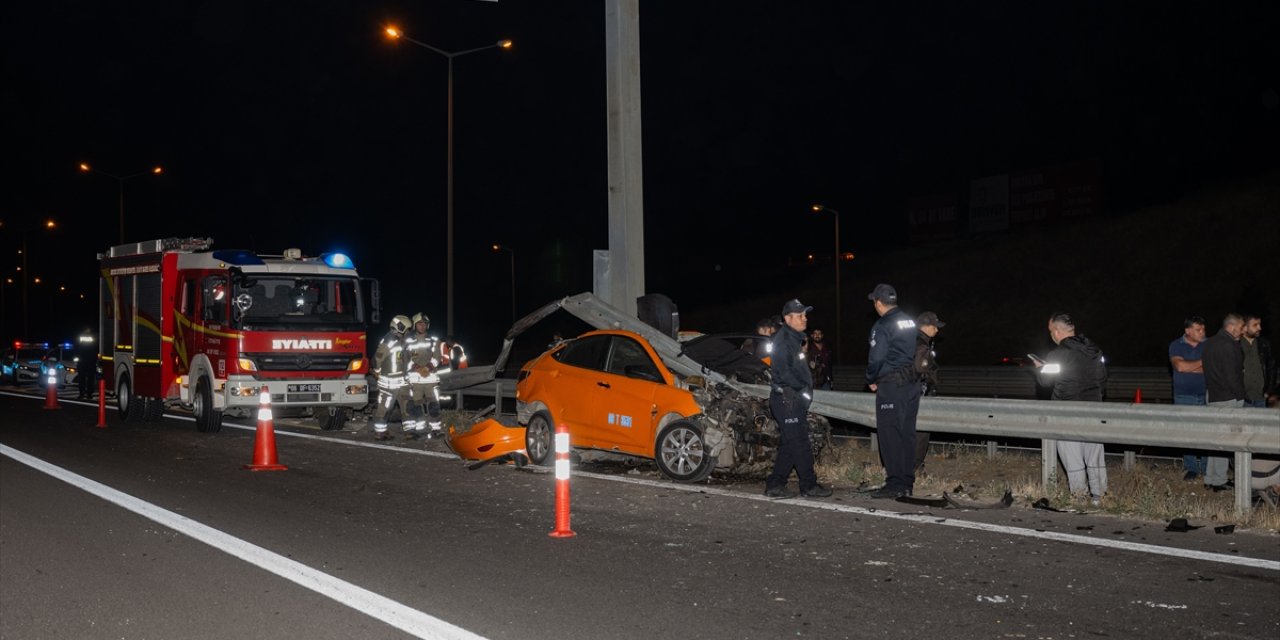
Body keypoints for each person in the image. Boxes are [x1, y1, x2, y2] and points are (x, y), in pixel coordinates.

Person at [1034, 312, 1108, 503]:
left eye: (1051, 331)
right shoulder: (1095, 350)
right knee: (1094, 452)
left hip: (1067, 409)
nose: (1051, 335)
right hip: (1094, 408)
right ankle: (1099, 495)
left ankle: (1079, 496)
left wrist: (1039, 367)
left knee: (1071, 453)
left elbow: (1045, 381)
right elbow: (1102, 377)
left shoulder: (1058, 354)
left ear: (1057, 332)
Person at [763, 298, 831, 499]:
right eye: (800, 315)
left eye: (805, 315)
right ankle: (809, 485)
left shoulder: (793, 339)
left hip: (792, 399)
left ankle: (775, 484)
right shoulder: (784, 340)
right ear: (788, 318)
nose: (805, 319)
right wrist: (801, 391)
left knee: (789, 444)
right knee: (800, 443)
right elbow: (784, 373)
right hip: (787, 399)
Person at [864, 284, 921, 499]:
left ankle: (895, 483)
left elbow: (877, 357)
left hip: (892, 385)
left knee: (890, 434)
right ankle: (906, 481)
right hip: (911, 384)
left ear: (878, 303)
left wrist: (871, 378)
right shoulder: (908, 320)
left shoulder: (883, 324)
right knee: (907, 434)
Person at [1201, 313, 1246, 490]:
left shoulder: (1210, 343)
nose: (1243, 331)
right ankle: (1218, 480)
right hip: (1228, 398)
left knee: (1215, 439)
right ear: (1232, 326)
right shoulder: (1230, 344)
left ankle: (1210, 478)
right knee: (1224, 441)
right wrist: (1241, 396)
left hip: (1212, 395)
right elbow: (1232, 376)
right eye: (1241, 327)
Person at [1168, 315, 1208, 481]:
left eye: (1203, 329)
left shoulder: (1209, 344)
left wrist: (1189, 366)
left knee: (1206, 433)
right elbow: (1179, 366)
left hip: (1206, 394)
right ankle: (1191, 468)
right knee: (1187, 433)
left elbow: (1212, 368)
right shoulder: (1176, 345)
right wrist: (1202, 363)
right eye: (1198, 329)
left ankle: (1206, 469)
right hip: (1183, 395)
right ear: (1188, 331)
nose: (1202, 332)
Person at [371, 315, 418, 441]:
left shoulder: (404, 341)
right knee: (384, 408)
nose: (409, 332)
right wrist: (377, 371)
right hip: (388, 383)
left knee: (407, 406)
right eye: (407, 329)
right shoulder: (387, 342)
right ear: (400, 328)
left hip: (403, 381)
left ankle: (410, 432)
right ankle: (380, 432)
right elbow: (376, 361)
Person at [913, 311, 945, 475]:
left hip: (913, 391)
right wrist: (929, 380)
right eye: (935, 327)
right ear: (925, 327)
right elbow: (920, 369)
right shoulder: (921, 344)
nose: (937, 330)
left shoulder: (914, 340)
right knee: (922, 430)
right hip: (920, 392)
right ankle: (916, 465)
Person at [404, 312, 443, 438]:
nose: (422, 326)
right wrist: (417, 368)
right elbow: (405, 359)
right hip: (415, 380)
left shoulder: (434, 339)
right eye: (419, 324)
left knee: (434, 405)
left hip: (430, 378)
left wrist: (428, 367)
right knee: (416, 405)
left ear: (428, 325)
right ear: (415, 325)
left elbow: (437, 357)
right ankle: (420, 429)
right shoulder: (408, 340)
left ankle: (436, 429)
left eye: (424, 324)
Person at [1240, 314, 1275, 409]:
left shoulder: (1264, 344)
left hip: (1261, 398)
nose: (1259, 328)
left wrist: (1268, 391)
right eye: (1255, 325)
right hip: (1242, 400)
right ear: (1245, 327)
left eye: (1259, 324)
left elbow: (1271, 368)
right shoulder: (1236, 345)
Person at [75, 327, 97, 400]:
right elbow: (96, 348)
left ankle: (83, 394)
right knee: (89, 379)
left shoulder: (80, 336)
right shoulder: (93, 336)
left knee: (82, 379)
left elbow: (77, 348)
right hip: (90, 361)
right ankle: (88, 394)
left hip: (83, 361)